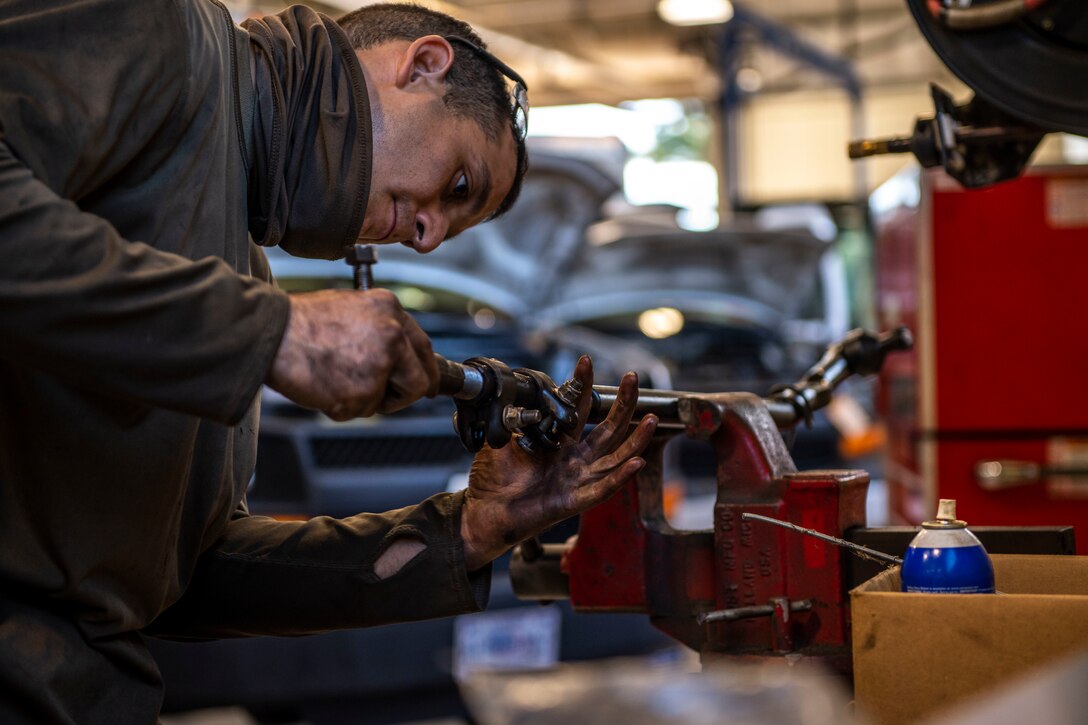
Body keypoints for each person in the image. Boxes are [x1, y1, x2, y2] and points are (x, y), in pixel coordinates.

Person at [0, 1, 657, 722]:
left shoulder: (242, 270)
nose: (429, 238)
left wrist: (463, 532)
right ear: (423, 66)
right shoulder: (158, 28)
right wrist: (267, 334)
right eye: (458, 185)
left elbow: (180, 576)